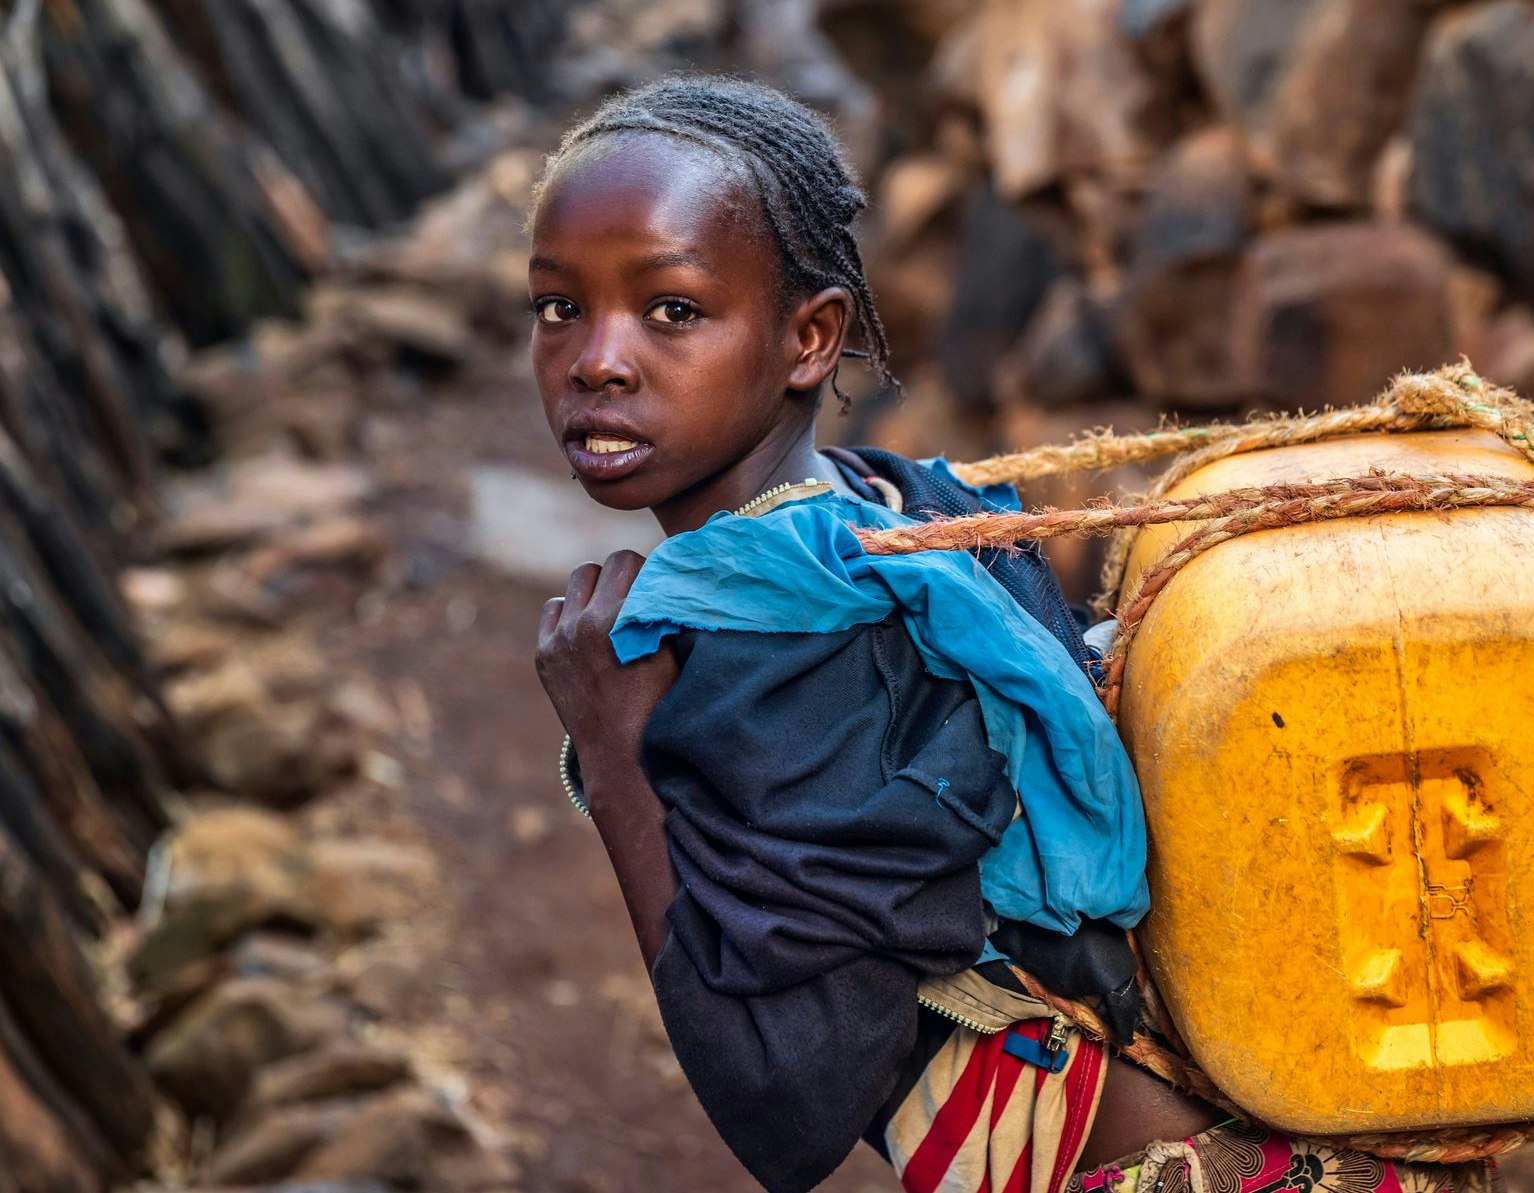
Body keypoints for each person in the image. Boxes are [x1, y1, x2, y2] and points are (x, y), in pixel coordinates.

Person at [529, 75, 1460, 1193]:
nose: (597, 358)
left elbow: (782, 1104)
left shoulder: (774, 641)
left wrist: (620, 752)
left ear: (810, 338)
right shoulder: (901, 504)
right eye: (558, 307)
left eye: (672, 308)